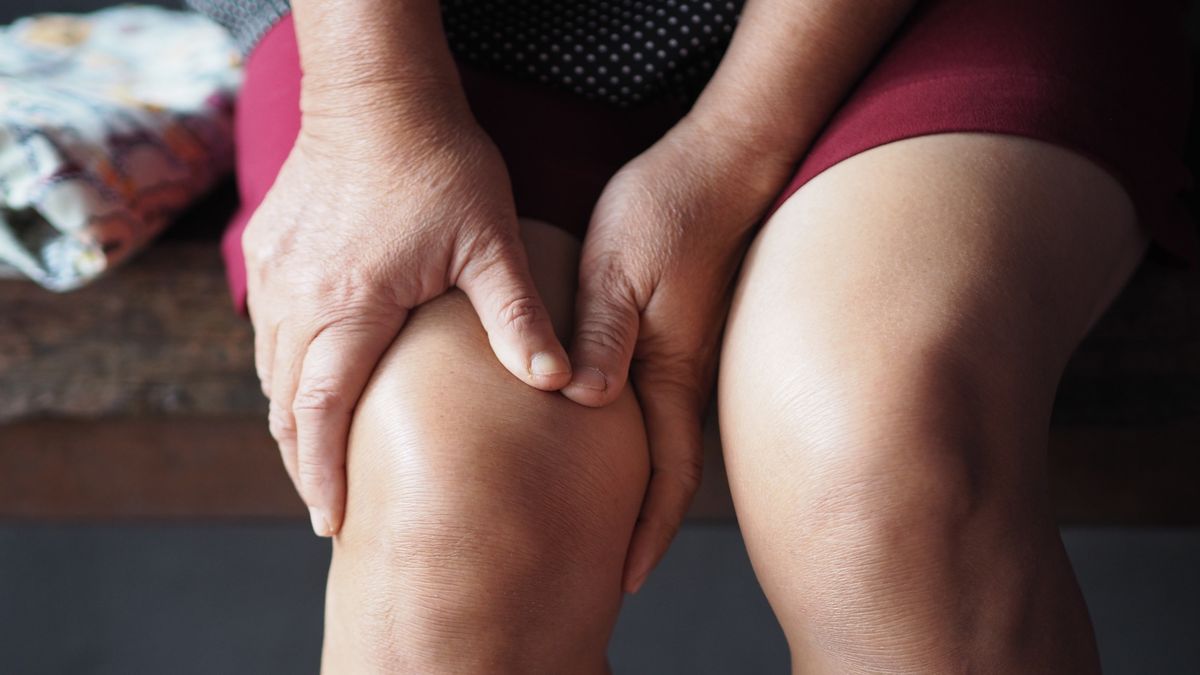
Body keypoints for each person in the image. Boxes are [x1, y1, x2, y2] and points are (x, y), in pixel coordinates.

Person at [189, 0, 1197, 671]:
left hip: (935, 18)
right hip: (415, 37)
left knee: (880, 459)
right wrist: (377, 110)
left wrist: (728, 150)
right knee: (446, 524)